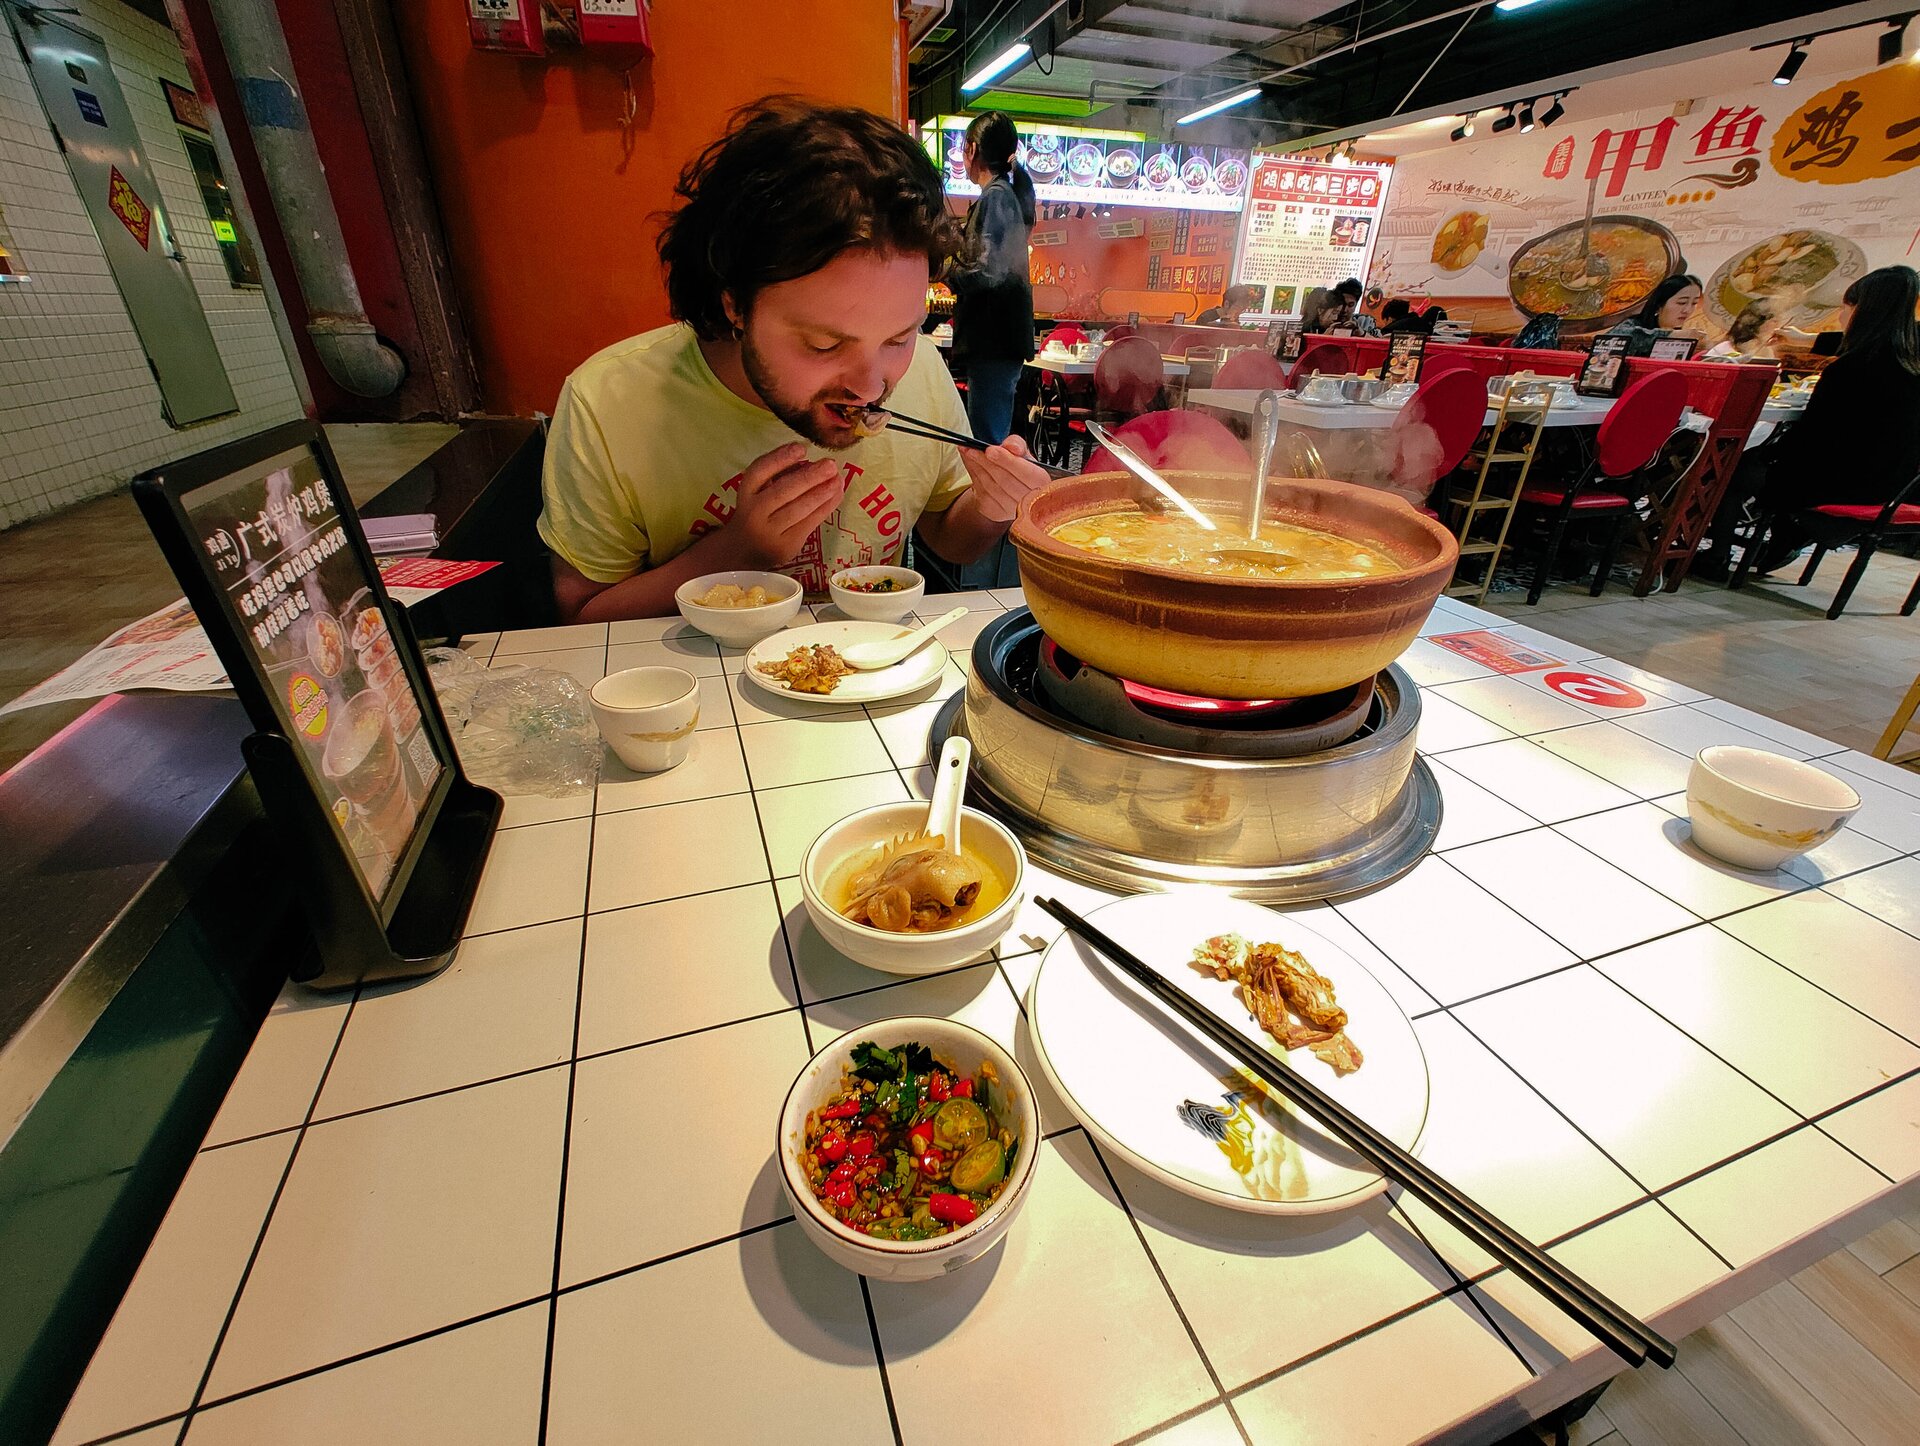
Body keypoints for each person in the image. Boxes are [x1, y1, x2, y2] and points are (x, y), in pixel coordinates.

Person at [537, 98, 1052, 623]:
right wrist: (736, 553)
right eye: (825, 345)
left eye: (899, 336)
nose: (872, 386)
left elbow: (950, 534)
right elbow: (582, 615)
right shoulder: (608, 403)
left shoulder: (921, 368)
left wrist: (993, 504)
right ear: (735, 302)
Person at [1745, 264, 1920, 572]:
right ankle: (1785, 539)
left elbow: (1811, 440)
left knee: (1740, 468)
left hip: (1840, 485)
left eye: (1845, 308)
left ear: (1863, 312)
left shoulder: (1850, 369)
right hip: (1893, 486)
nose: (1841, 317)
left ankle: (1717, 555)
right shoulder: (1911, 366)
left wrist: (1764, 452)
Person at [948, 111, 1036, 444]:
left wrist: (943, 271)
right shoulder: (1001, 196)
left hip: (994, 341)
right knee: (988, 437)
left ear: (972, 149)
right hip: (997, 342)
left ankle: (994, 496)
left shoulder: (996, 198)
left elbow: (986, 274)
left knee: (986, 442)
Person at [1603, 274, 1703, 345]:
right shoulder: (1631, 326)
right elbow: (1619, 337)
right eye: (1682, 303)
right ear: (1659, 305)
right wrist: (1671, 335)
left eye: (1694, 303)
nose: (1687, 310)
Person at [1703, 300, 1785, 361]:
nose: (1778, 326)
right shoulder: (1727, 349)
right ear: (1758, 322)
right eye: (1774, 321)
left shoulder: (1766, 350)